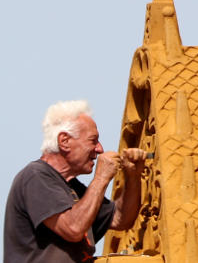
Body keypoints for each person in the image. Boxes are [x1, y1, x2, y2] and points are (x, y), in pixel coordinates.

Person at [3, 100, 145, 262]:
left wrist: (133, 175)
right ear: (64, 141)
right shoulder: (35, 176)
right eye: (93, 140)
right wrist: (101, 178)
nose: (100, 149)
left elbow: (120, 218)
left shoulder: (73, 187)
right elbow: (73, 229)